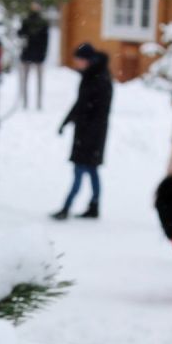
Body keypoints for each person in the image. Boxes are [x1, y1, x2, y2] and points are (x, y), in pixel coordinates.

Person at [52, 43, 113, 220]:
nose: (76, 63)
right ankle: (93, 205)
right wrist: (67, 122)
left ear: (87, 60)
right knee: (90, 170)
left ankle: (67, 207)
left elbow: (96, 110)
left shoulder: (99, 78)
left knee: (81, 170)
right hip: (86, 133)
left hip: (90, 135)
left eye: (78, 60)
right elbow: (81, 104)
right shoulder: (91, 75)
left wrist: (89, 133)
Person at [18, 2, 49, 110]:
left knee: (38, 82)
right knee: (25, 81)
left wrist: (43, 55)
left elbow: (45, 40)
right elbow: (21, 34)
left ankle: (38, 103)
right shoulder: (26, 21)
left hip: (37, 55)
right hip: (27, 55)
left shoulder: (43, 22)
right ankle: (25, 103)